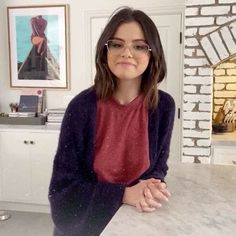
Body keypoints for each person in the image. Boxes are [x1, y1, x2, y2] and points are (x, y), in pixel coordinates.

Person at [49, 6, 175, 236]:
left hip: (136, 223)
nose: (127, 52)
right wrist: (124, 194)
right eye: (117, 44)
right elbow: (63, 193)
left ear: (152, 53)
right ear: (105, 51)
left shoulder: (163, 106)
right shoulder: (81, 108)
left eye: (139, 46)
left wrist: (152, 188)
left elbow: (157, 168)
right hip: (85, 228)